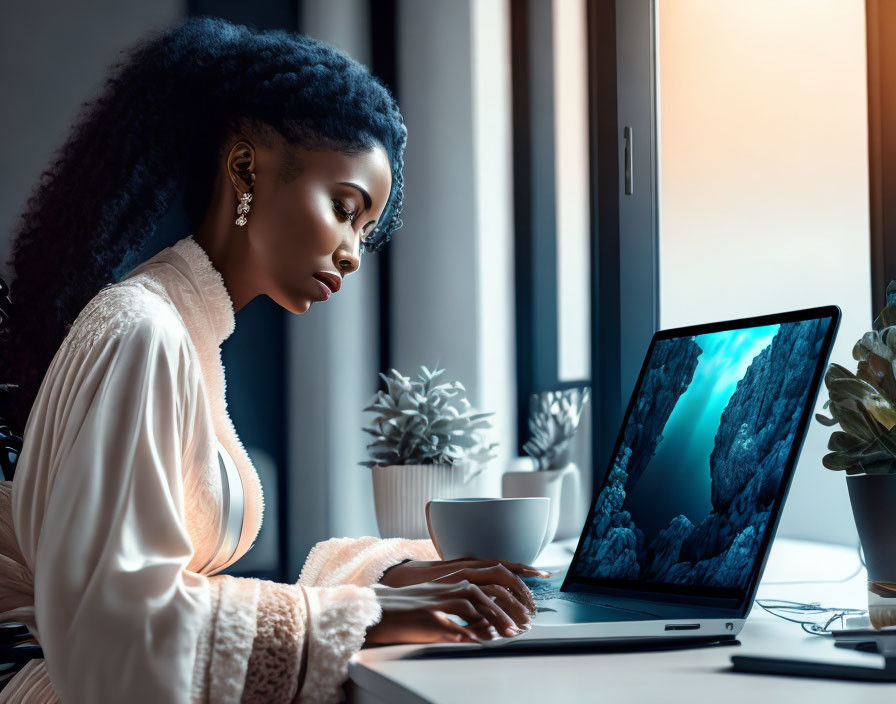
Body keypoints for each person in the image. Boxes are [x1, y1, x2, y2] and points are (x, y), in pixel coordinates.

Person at [0, 16, 546, 704]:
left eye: (367, 230)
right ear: (244, 166)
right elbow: (115, 632)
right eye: (345, 208)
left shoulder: (188, 336)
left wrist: (382, 581)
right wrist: (367, 617)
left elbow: (170, 598)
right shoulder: (143, 331)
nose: (352, 252)